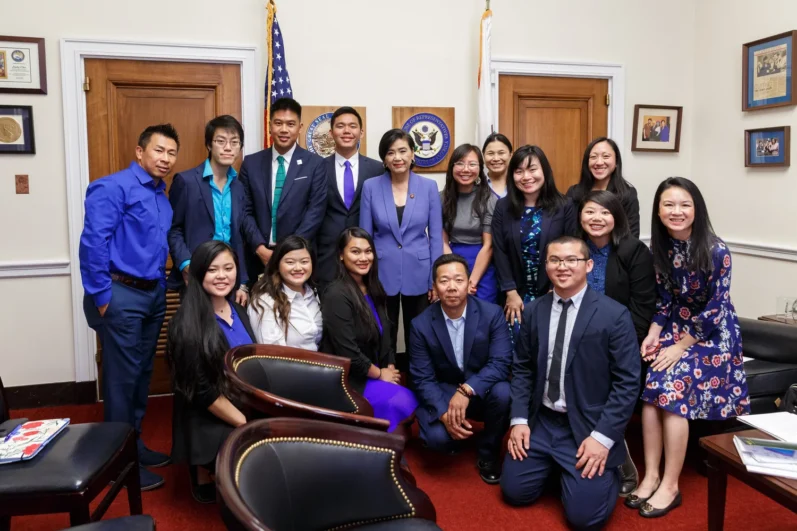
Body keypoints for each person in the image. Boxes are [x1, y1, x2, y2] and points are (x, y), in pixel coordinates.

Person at [628, 177, 750, 518]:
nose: (676, 211)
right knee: (651, 391)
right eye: (668, 205)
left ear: (697, 209)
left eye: (684, 205)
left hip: (713, 336)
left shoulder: (716, 250)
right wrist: (654, 334)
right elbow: (664, 300)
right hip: (677, 327)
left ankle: (671, 485)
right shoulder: (661, 248)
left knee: (671, 388)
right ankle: (651, 476)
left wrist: (680, 347)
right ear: (658, 210)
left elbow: (715, 309)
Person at [501, 236, 640, 530]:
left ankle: (613, 466)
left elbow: (627, 384)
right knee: (514, 492)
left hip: (588, 425)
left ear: (588, 265)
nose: (562, 266)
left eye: (571, 260)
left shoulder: (614, 315)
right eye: (555, 260)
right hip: (543, 421)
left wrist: (603, 438)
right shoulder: (534, 310)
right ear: (546, 265)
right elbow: (523, 368)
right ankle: (558, 466)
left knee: (584, 519)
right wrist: (519, 419)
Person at [80, 123, 179, 491]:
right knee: (121, 381)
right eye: (159, 150)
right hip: (120, 295)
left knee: (140, 374)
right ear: (140, 152)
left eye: (171, 153)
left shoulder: (161, 196)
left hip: (152, 294)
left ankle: (133, 445)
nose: (165, 158)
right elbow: (93, 244)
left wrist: (160, 289)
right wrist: (103, 298)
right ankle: (119, 465)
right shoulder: (112, 187)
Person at [578, 190, 657, 497]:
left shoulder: (633, 250)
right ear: (580, 216)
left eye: (605, 212)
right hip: (578, 335)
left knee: (604, 376)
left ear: (617, 217)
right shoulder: (574, 247)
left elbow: (643, 305)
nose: (597, 218)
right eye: (590, 212)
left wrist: (621, 346)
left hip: (622, 338)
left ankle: (618, 456)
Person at [409, 254, 512, 484]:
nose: (452, 287)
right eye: (444, 281)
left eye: (458, 280)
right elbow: (422, 378)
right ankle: (452, 432)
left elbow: (501, 362)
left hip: (479, 389)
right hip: (444, 391)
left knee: (504, 393)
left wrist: (467, 390)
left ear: (469, 283)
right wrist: (443, 413)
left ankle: (488, 452)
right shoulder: (420, 324)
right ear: (435, 286)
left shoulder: (492, 314)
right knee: (437, 440)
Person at [167, 240, 253, 504]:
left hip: (242, 396)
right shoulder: (186, 324)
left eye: (228, 268)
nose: (222, 276)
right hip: (208, 407)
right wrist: (246, 424)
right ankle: (203, 467)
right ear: (198, 273)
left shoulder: (239, 309)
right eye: (213, 270)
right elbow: (203, 391)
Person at [320, 227, 419, 432]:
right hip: (349, 379)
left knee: (406, 398)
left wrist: (390, 369)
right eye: (355, 252)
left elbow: (387, 335)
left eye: (368, 251)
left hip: (373, 371)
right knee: (403, 400)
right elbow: (348, 352)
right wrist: (380, 374)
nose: (363, 258)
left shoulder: (373, 287)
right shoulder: (336, 294)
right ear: (341, 255)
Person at [360, 129, 443, 365]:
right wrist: (365, 278)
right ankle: (387, 380)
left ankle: (420, 382)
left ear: (413, 154)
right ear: (384, 159)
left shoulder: (428, 187)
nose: (397, 157)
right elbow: (365, 237)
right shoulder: (371, 187)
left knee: (420, 334)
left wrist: (435, 279)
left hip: (420, 272)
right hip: (381, 272)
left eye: (402, 151)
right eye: (390, 152)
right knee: (383, 333)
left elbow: (435, 236)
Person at [167, 115, 255, 304]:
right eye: (220, 141)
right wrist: (187, 265)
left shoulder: (238, 187)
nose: (228, 147)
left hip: (229, 277)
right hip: (196, 275)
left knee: (229, 323)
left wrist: (242, 283)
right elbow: (173, 229)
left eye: (234, 142)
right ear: (209, 145)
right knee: (197, 323)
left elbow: (238, 237)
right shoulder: (186, 182)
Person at [238, 97, 326, 283]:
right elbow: (244, 211)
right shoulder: (251, 163)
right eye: (278, 123)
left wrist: (289, 252)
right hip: (258, 259)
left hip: (299, 259)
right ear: (270, 126)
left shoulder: (315, 164)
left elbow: (315, 212)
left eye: (290, 124)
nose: (284, 129)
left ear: (300, 127)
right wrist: (259, 248)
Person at [491, 145, 576, 331]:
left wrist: (556, 289)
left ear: (544, 170)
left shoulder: (564, 206)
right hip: (515, 295)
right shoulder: (503, 207)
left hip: (554, 290)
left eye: (532, 169)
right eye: (519, 171)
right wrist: (510, 292)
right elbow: (499, 250)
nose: (526, 177)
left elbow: (571, 249)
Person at [316, 107, 384, 291]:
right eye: (340, 126)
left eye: (352, 126)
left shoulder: (378, 169)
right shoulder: (317, 168)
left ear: (361, 132)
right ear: (331, 133)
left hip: (366, 259)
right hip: (327, 257)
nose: (347, 131)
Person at [440, 144, 499, 303]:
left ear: (480, 168)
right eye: (460, 163)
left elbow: (488, 246)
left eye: (472, 164)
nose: (466, 169)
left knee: (483, 310)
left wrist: (471, 282)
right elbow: (442, 241)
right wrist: (455, 274)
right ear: (452, 167)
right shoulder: (441, 198)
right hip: (451, 259)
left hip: (482, 262)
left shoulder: (489, 199)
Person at [247, 235, 321, 349]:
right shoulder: (265, 301)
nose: (298, 268)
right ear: (277, 264)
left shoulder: (313, 292)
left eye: (304, 262)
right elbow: (273, 354)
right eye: (290, 262)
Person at [566, 137, 641, 238]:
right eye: (593, 157)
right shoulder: (574, 192)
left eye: (606, 156)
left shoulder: (627, 193)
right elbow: (568, 231)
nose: (599, 162)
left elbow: (632, 235)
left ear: (616, 162)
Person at [482, 132, 513, 199]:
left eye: (501, 153)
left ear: (510, 155)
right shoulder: (476, 186)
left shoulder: (519, 184)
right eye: (490, 153)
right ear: (483, 156)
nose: (496, 159)